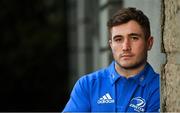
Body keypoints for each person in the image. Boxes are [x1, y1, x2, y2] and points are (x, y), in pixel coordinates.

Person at [63, 7, 160, 112]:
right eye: (118, 39)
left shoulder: (160, 87)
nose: (125, 47)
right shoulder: (87, 85)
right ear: (111, 45)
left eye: (134, 38)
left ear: (149, 43)